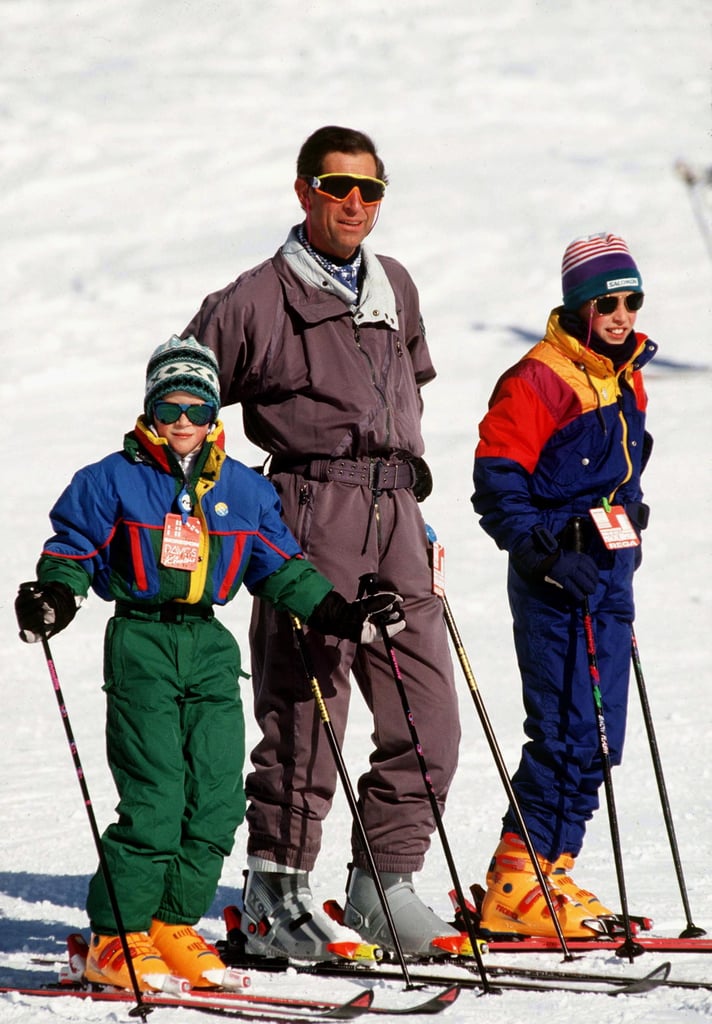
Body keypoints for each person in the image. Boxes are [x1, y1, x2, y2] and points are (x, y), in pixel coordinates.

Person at [14, 335, 405, 991]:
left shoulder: (243, 490)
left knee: (219, 800)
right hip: (141, 642)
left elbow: (280, 568)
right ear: (151, 411)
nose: (186, 424)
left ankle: (169, 924)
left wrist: (340, 613)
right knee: (158, 798)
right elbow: (74, 549)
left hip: (208, 647)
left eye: (198, 409)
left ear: (214, 413)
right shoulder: (111, 479)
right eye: (172, 410)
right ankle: (115, 935)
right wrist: (54, 594)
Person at [182, 125, 463, 959]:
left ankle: (384, 887)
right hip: (309, 512)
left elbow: (404, 395)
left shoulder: (396, 287)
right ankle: (277, 896)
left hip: (398, 518)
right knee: (309, 711)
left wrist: (411, 490)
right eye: (336, 187)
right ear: (303, 191)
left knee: (428, 714)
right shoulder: (256, 298)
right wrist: (225, 506)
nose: (354, 203)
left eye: (369, 190)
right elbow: (182, 395)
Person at [471, 232, 656, 938]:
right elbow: (498, 485)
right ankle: (517, 879)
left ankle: (553, 870)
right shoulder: (539, 378)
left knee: (602, 737)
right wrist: (544, 553)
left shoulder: (626, 373)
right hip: (557, 576)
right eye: (606, 302)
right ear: (579, 305)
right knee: (564, 730)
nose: (620, 314)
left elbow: (622, 468)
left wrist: (630, 511)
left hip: (609, 572)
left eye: (631, 300)